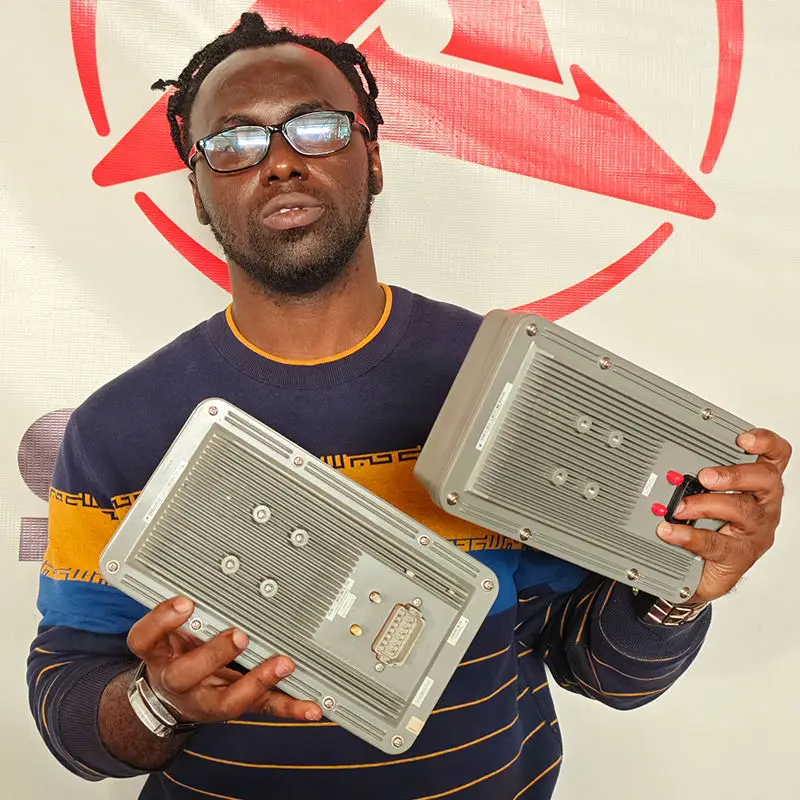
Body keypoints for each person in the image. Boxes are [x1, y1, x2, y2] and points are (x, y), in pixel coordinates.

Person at [27, 12, 791, 800]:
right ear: (197, 190)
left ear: (374, 159)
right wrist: (157, 703)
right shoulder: (120, 430)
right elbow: (70, 707)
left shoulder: (515, 388)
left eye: (316, 128)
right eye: (235, 143)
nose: (281, 162)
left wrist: (678, 586)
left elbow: (603, 670)